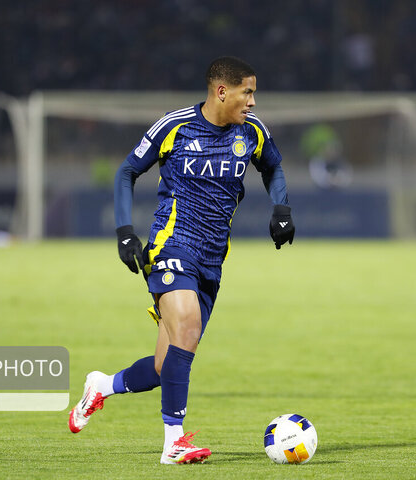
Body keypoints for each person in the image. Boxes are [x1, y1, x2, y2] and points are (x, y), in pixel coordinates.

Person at [67, 56, 295, 464]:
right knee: (187, 328)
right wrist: (124, 231)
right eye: (248, 92)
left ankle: (102, 385)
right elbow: (126, 172)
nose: (254, 102)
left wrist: (282, 208)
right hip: (171, 247)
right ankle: (173, 442)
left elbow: (273, 167)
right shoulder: (174, 126)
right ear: (222, 91)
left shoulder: (253, 133)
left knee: (163, 367)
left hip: (211, 262)